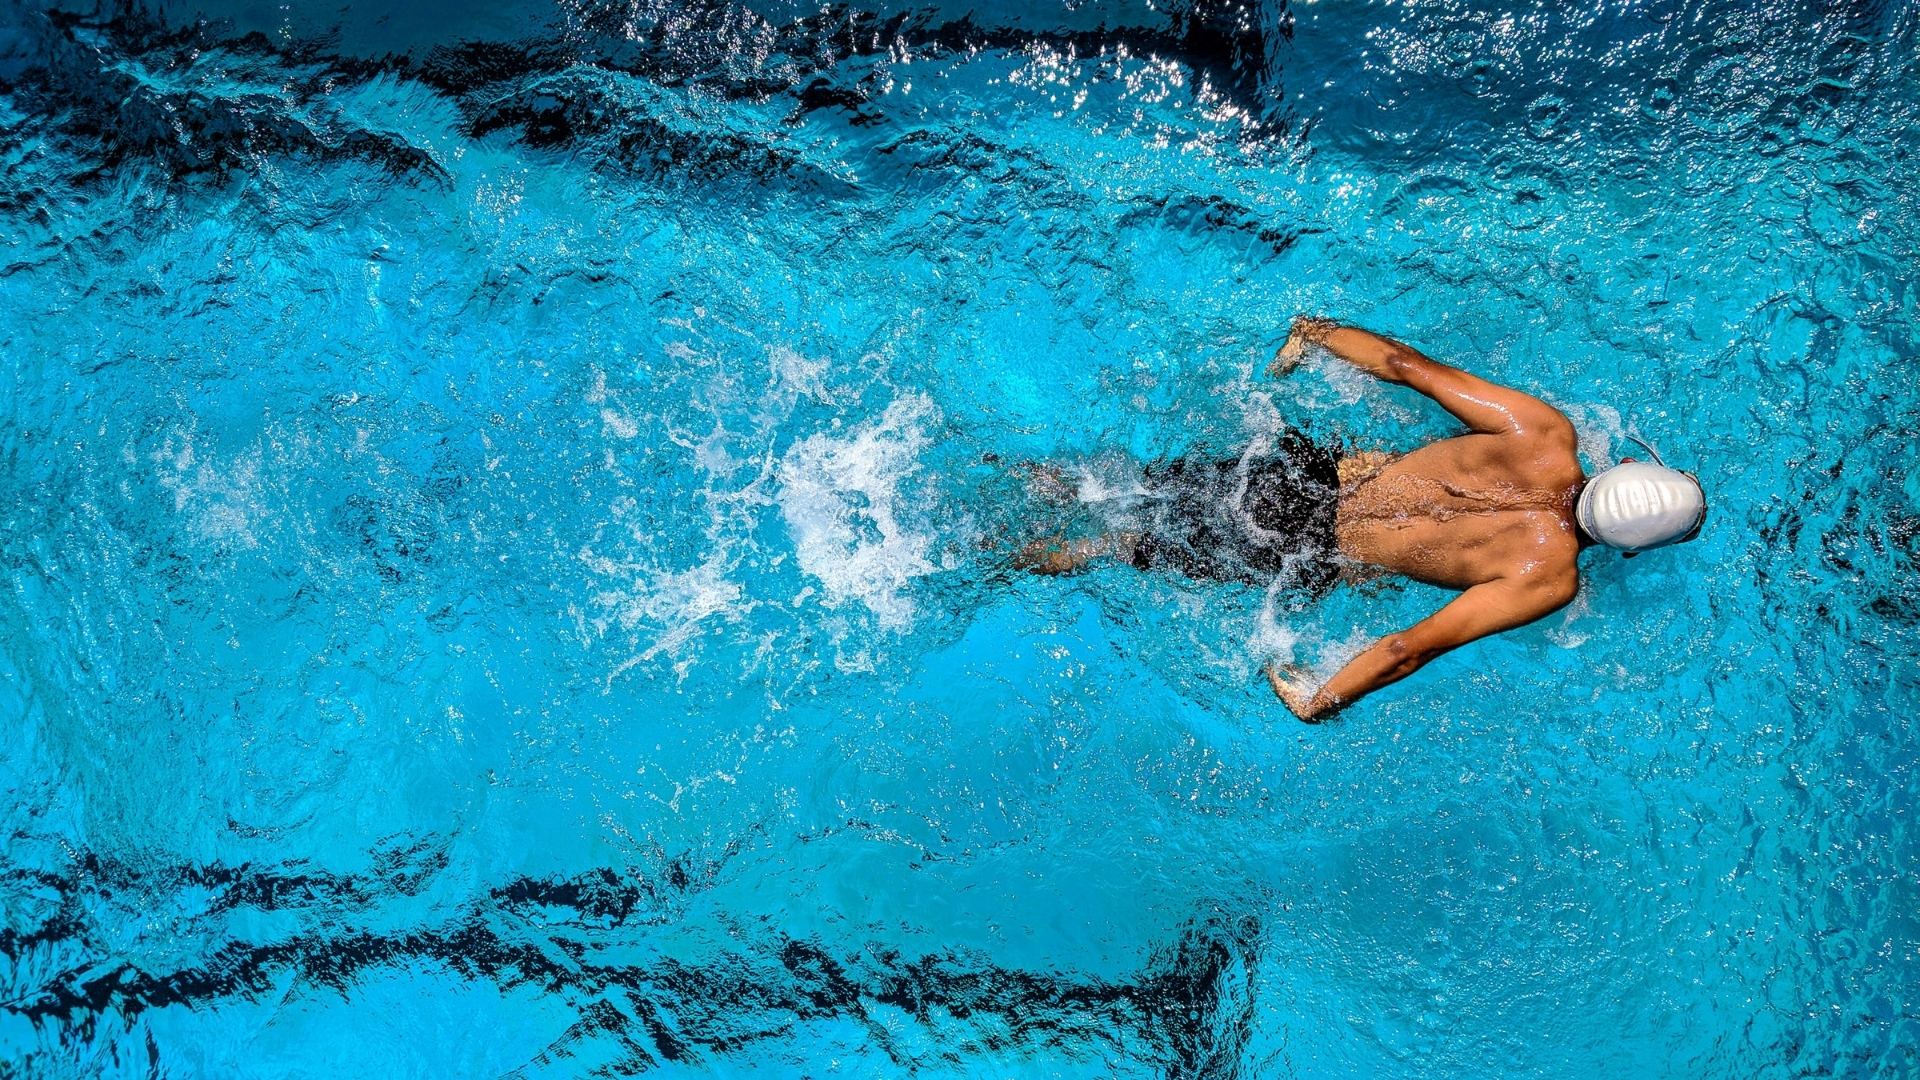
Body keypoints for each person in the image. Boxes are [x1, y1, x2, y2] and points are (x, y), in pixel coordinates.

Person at [1014, 316, 1707, 722]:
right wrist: (1322, 698)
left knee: (1111, 486)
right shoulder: (1547, 578)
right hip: (1304, 552)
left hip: (1297, 474)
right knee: (1118, 546)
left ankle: (1021, 477)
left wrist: (1316, 334)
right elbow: (1411, 647)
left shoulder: (1543, 432)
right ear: (1632, 549)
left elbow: (1407, 366)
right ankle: (1000, 558)